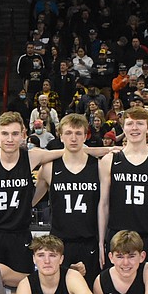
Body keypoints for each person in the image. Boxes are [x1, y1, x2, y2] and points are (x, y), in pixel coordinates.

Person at [0, 112, 67, 273]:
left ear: (23, 135)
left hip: (20, 233)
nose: (10, 139)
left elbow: (70, 152)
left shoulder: (31, 157)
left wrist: (110, 149)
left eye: (15, 134)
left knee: (22, 284)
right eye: (5, 134)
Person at [97, 106, 148, 266]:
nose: (134, 128)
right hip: (118, 236)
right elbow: (103, 204)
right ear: (123, 127)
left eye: (140, 123)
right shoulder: (110, 160)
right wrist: (101, 242)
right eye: (130, 123)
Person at [36, 113, 103, 284]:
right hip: (59, 242)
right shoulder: (49, 168)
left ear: (86, 135)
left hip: (90, 241)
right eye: (68, 133)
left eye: (78, 133)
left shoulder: (99, 166)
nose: (73, 138)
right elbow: (31, 201)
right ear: (60, 135)